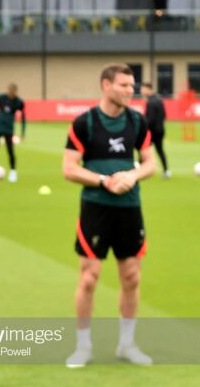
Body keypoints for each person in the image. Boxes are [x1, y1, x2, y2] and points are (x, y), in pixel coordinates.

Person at [63, 63, 156, 368]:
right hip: (96, 208)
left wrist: (133, 175)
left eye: (132, 85)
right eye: (124, 85)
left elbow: (150, 163)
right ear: (106, 85)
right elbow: (69, 169)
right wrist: (104, 181)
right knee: (89, 278)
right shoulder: (85, 123)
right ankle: (83, 347)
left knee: (131, 278)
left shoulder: (137, 122)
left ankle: (127, 345)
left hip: (129, 208)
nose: (131, 90)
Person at [141, 82, 169, 178]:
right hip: (160, 130)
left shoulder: (151, 102)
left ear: (148, 89)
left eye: (143, 89)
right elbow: (164, 115)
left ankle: (139, 169)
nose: (142, 91)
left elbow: (150, 119)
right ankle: (166, 170)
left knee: (143, 148)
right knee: (160, 150)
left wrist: (144, 128)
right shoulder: (159, 99)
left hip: (152, 131)